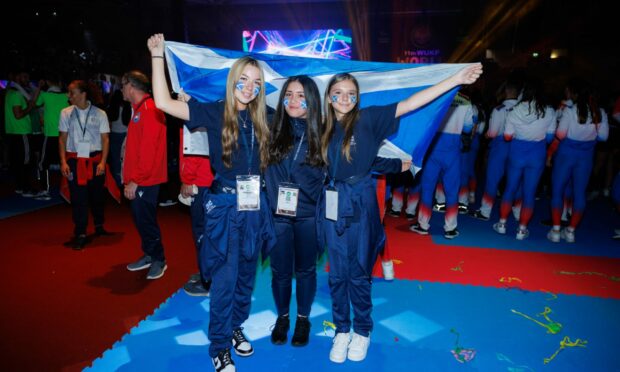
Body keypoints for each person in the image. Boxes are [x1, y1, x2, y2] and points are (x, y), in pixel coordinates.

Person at [316, 65, 482, 363]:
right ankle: (342, 329)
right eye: (338, 93)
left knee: (359, 271)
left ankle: (362, 331)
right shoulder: (322, 125)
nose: (344, 98)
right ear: (328, 97)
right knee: (337, 273)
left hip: (361, 199)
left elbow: (411, 103)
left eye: (351, 93)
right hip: (332, 202)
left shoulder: (368, 118)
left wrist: (455, 80)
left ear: (357, 98)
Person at [148, 34, 276, 372]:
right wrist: (158, 57)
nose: (249, 88)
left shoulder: (265, 118)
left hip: (255, 209)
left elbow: (304, 111)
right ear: (234, 80)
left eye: (257, 83)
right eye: (244, 80)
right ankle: (219, 346)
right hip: (224, 207)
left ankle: (235, 326)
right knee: (225, 279)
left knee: (247, 277)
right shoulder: (213, 110)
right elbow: (162, 102)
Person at [264, 75, 325, 347]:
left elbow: (356, 155)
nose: (293, 100)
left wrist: (398, 165)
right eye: (288, 94)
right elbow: (233, 109)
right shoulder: (269, 126)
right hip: (277, 216)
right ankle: (283, 317)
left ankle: (303, 318)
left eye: (301, 95)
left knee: (305, 271)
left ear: (312, 101)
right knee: (279, 272)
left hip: (309, 217)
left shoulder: (325, 134)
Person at [492, 78, 556, 240]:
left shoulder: (515, 110)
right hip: (537, 154)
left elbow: (507, 136)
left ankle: (502, 223)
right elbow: (549, 138)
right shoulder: (549, 111)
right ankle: (522, 229)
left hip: (517, 152)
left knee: (510, 188)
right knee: (529, 192)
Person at [410, 91, 477, 238]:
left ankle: (423, 224)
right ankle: (450, 228)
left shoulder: (436, 95)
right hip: (452, 151)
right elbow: (467, 128)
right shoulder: (465, 101)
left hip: (433, 148)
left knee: (427, 188)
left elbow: (424, 123)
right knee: (452, 190)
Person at [122, 71, 169, 280]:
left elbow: (148, 151)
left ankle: (159, 259)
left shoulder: (149, 110)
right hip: (140, 178)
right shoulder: (139, 109)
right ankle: (150, 254)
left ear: (130, 86)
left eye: (122, 85)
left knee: (146, 220)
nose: (121, 90)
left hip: (145, 180)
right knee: (141, 220)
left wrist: (135, 179)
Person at [547, 84, 608, 243]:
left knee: (558, 191)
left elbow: (560, 134)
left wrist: (550, 154)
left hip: (566, 154)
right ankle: (571, 231)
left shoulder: (570, 111)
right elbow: (603, 137)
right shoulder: (600, 113)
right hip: (586, 156)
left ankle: (555, 230)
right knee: (580, 193)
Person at [58, 80, 111, 250]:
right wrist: (63, 161)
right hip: (75, 161)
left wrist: (103, 161)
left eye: (72, 92)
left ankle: (99, 225)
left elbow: (105, 139)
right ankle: (80, 232)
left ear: (83, 94)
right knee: (78, 198)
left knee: (97, 196)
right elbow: (62, 138)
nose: (69, 96)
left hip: (95, 160)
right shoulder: (65, 113)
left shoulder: (100, 113)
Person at [470, 78, 522, 221]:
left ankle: (486, 211)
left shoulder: (499, 109)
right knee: (516, 180)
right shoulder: (522, 108)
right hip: (518, 147)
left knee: (493, 179)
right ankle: (518, 212)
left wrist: (487, 135)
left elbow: (492, 132)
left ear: (506, 92)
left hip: (500, 146)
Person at [178, 118, 215, 296]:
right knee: (207, 231)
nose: (179, 97)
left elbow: (194, 153)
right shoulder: (206, 112)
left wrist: (187, 179)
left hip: (201, 183)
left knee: (202, 233)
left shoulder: (195, 116)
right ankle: (206, 272)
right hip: (208, 182)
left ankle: (208, 280)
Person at [32, 75, 70, 200]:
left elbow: (34, 103)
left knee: (43, 164)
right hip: (65, 136)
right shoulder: (66, 96)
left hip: (50, 136)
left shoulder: (45, 95)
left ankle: (44, 190)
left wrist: (38, 87)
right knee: (67, 162)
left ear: (47, 82)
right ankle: (71, 190)